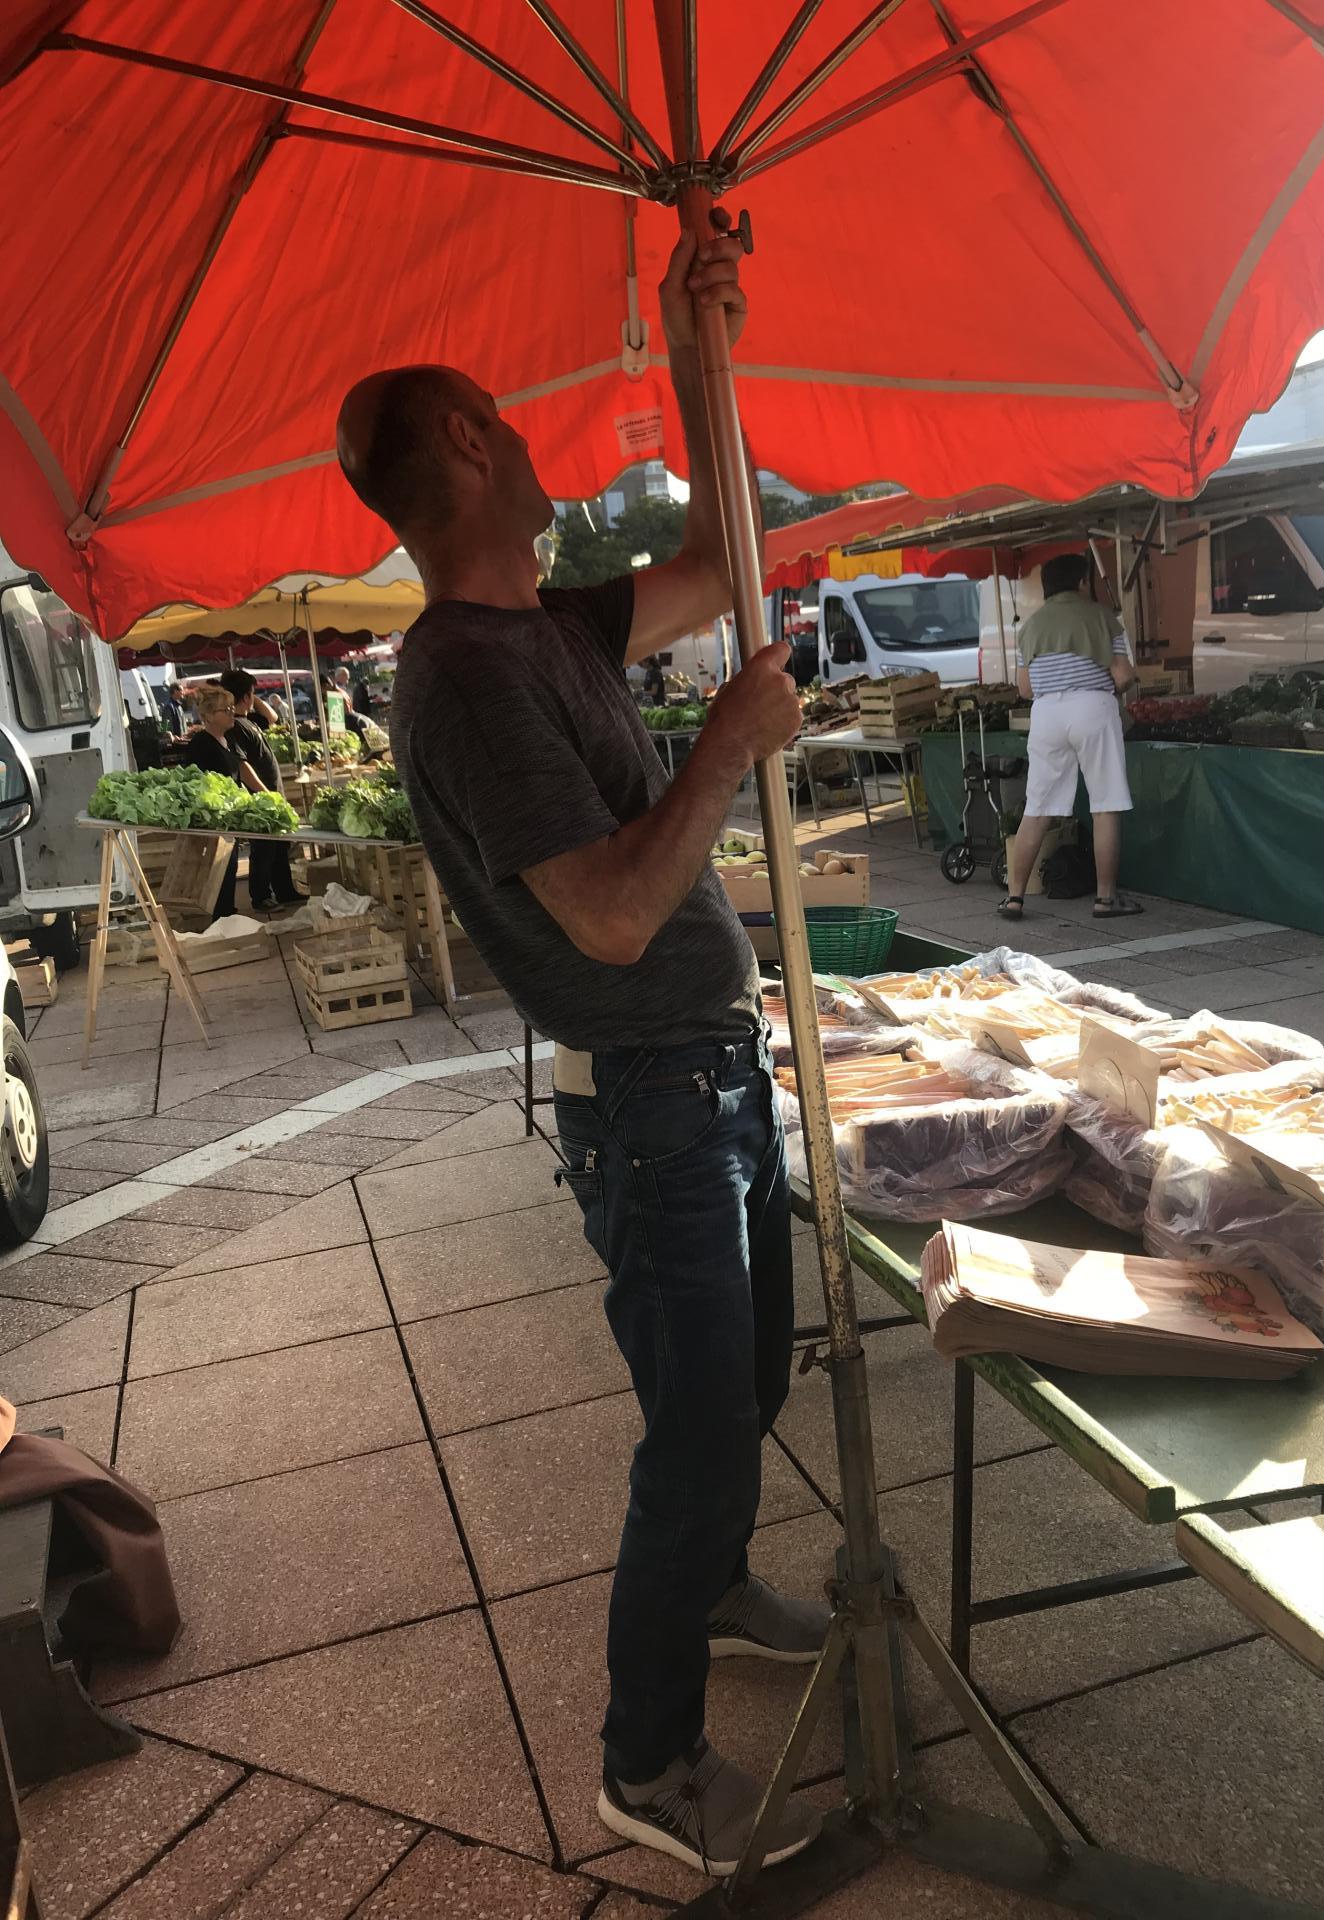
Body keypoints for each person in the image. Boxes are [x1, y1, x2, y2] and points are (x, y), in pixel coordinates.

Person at [335, 217, 823, 1881]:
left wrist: (702, 362)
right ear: (469, 439)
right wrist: (727, 743)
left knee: (744, 1387)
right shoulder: (466, 680)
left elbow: (727, 562)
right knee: (694, 1433)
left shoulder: (547, 627)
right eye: (512, 416)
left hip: (710, 1080)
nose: (544, 441)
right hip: (653, 1103)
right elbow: (609, 919)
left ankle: (717, 1587)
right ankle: (645, 1760)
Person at [1000, 552, 1139, 919]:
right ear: (1081, 582)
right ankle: (1105, 899)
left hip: (1046, 715)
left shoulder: (1030, 627)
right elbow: (1123, 675)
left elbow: (1025, 688)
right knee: (1105, 804)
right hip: (1092, 708)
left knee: (1037, 807)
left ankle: (1014, 898)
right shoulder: (1101, 617)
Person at [218, 670, 303, 910]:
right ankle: (261, 896)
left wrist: (250, 696)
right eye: (252, 693)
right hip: (260, 796)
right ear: (245, 696)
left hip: (271, 793)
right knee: (263, 847)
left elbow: (272, 717)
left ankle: (285, 891)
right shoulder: (235, 726)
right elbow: (241, 765)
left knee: (278, 845)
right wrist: (264, 792)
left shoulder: (250, 720)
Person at [183, 686, 268, 920]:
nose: (232, 713)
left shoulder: (228, 739)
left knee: (229, 867)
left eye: (232, 708)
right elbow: (196, 782)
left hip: (230, 816)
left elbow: (241, 768)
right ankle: (221, 918)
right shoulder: (200, 744)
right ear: (209, 716)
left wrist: (263, 793)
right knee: (220, 870)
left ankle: (227, 915)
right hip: (215, 819)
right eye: (226, 710)